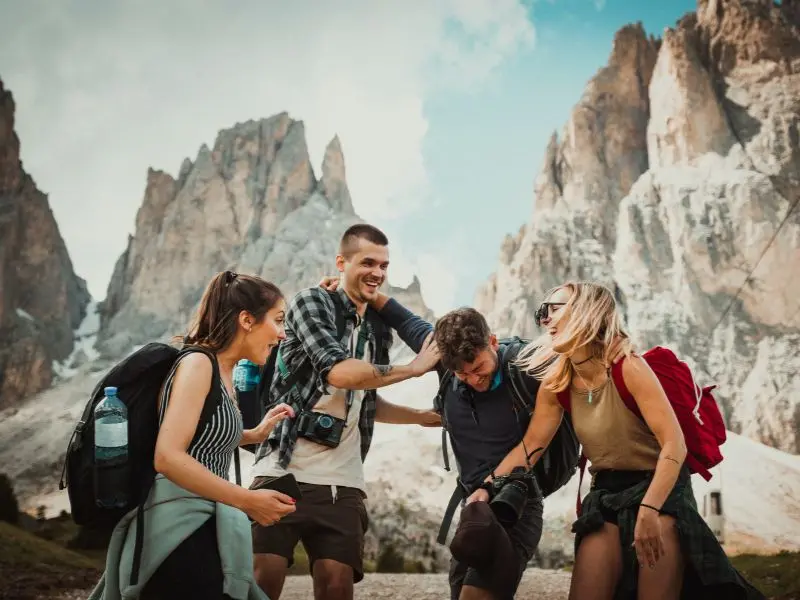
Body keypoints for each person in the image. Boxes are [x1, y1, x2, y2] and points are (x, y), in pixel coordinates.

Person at [490, 281, 766, 600]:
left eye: (555, 309)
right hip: (606, 493)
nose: (545, 319)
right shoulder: (556, 384)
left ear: (586, 312)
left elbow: (674, 444)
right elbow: (530, 446)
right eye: (542, 312)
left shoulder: (629, 367)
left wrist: (650, 509)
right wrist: (485, 487)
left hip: (660, 489)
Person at [317, 279, 586, 600]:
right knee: (461, 592)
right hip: (473, 508)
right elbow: (404, 320)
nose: (474, 380)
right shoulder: (444, 362)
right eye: (462, 374)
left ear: (493, 342)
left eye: (479, 368)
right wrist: (356, 289)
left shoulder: (526, 367)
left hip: (516, 503)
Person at [249, 224, 442, 600]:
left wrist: (419, 416)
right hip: (282, 468)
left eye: (384, 265)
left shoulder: (377, 328)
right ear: (341, 262)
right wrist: (413, 369)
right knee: (261, 581)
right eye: (368, 262)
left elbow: (367, 399)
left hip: (344, 480)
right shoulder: (310, 303)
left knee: (337, 587)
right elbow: (338, 372)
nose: (378, 272)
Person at [91, 271, 300, 600]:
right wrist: (248, 501)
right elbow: (168, 456)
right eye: (277, 320)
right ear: (247, 320)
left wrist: (253, 434)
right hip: (177, 525)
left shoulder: (224, 371)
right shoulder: (199, 364)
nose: (283, 334)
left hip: (204, 518)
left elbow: (200, 436)